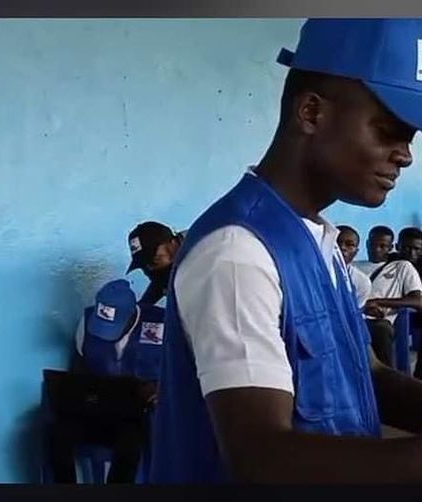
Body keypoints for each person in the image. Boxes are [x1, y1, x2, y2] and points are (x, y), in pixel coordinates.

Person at [149, 19, 422, 484]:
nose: (405, 155)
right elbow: (263, 458)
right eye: (387, 130)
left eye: (410, 137)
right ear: (311, 112)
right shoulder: (238, 252)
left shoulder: (321, 243)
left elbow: (367, 373)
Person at [46, 280, 161, 484]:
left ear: (132, 314)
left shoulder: (162, 324)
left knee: (130, 444)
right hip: (98, 409)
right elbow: (80, 368)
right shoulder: (87, 322)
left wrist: (158, 390)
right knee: (59, 435)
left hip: (140, 416)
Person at [359, 226, 422, 367]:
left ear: (390, 247)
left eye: (382, 246)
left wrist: (377, 302)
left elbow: (418, 301)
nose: (377, 250)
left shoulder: (402, 266)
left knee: (381, 329)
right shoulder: (354, 267)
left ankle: (387, 376)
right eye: (373, 245)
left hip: (381, 320)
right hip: (356, 315)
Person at [125, 222, 185, 305]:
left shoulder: (200, 252)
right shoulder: (165, 269)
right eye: (145, 264)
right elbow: (160, 282)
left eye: (154, 261)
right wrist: (141, 307)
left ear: (173, 244)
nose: (150, 268)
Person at [336, 225, 372, 309]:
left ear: (356, 252)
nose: (342, 247)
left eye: (349, 245)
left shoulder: (361, 281)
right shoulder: (310, 273)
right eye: (336, 242)